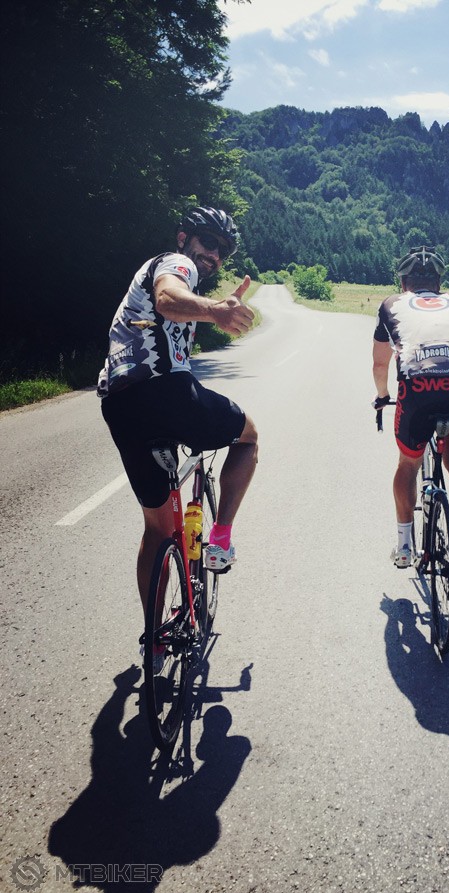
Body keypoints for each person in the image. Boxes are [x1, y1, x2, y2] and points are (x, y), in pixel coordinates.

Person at [98, 206, 258, 613]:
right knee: (248, 439)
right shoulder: (175, 263)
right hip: (165, 392)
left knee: (157, 530)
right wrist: (215, 310)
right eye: (209, 242)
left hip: (119, 404)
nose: (214, 255)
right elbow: (168, 297)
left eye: (223, 250)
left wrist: (208, 310)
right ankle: (220, 540)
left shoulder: (162, 276)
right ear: (184, 237)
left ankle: (152, 637)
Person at [372, 246, 449, 567]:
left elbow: (380, 365)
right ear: (438, 282)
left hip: (419, 389)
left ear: (403, 282)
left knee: (409, 463)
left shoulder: (391, 304)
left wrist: (382, 396)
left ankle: (405, 546)